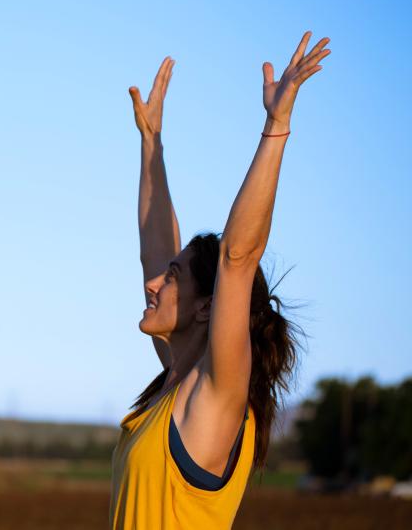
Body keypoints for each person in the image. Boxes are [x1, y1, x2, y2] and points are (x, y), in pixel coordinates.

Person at [110, 32, 330, 528]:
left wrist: (275, 127)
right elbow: (154, 250)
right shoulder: (174, 386)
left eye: (172, 279)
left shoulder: (215, 395)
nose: (153, 286)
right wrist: (151, 144)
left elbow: (237, 258)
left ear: (208, 306)